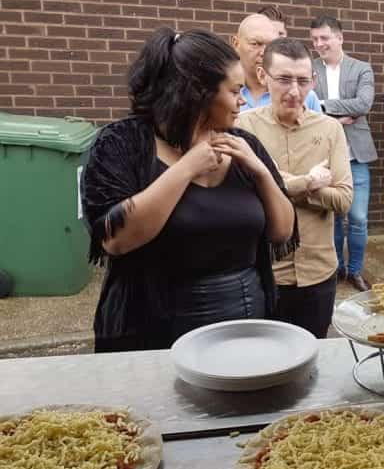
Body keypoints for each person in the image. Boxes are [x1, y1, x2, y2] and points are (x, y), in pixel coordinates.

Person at [81, 28, 296, 353]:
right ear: (198, 93)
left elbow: (282, 232)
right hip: (152, 332)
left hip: (243, 327)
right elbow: (117, 240)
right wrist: (186, 168)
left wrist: (262, 172)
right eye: (235, 90)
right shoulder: (120, 144)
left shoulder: (243, 144)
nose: (243, 100)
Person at [237, 38, 353, 337]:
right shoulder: (243, 127)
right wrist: (309, 181)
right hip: (265, 272)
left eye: (303, 81)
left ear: (314, 81)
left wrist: (275, 180)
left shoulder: (330, 129)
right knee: (264, 361)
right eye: (284, 79)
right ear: (263, 76)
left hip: (318, 272)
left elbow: (343, 200)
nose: (294, 91)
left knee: (313, 358)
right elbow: (246, 193)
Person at [309, 14, 376, 292]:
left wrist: (323, 105)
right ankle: (337, 268)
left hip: (356, 155)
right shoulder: (310, 68)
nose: (318, 44)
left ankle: (356, 270)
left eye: (324, 38)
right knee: (333, 217)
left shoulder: (361, 68)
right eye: (314, 39)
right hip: (324, 155)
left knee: (358, 218)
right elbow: (306, 105)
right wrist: (338, 117)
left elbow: (364, 103)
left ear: (340, 37)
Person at [233, 13, 320, 114]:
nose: (264, 52)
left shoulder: (306, 97)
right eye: (255, 44)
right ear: (236, 43)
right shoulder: (222, 92)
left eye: (271, 45)